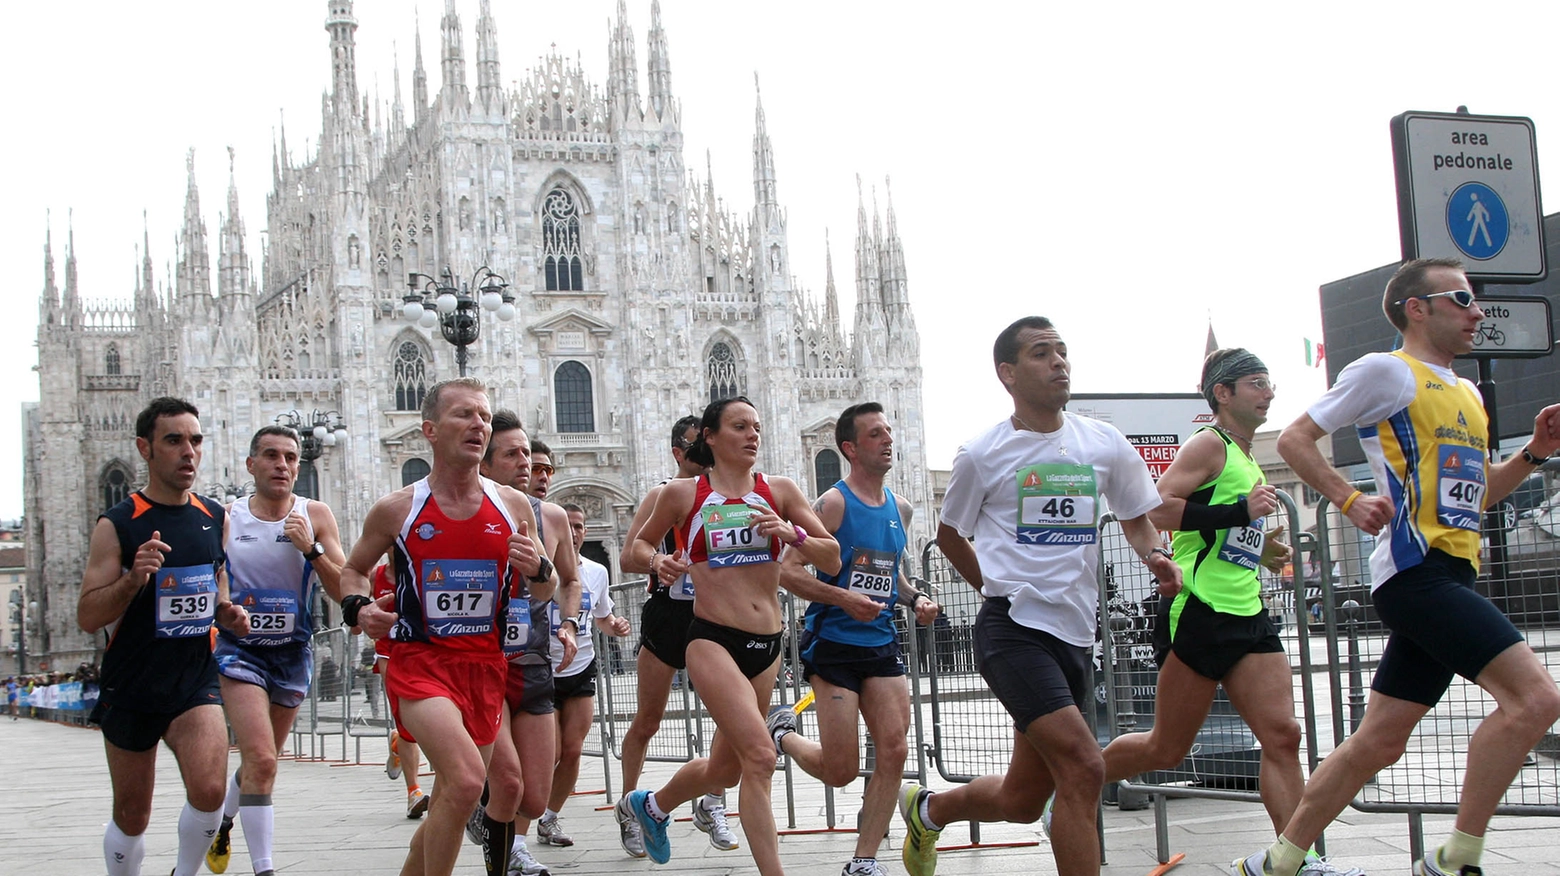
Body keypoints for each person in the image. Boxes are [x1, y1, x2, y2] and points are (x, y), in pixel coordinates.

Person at [1236, 258, 1560, 876]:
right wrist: (1348, 498)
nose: (1478, 312)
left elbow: (1481, 493)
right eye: (1463, 298)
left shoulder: (1467, 392)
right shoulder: (1389, 371)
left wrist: (1535, 453)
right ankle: (1455, 856)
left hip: (1453, 573)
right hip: (1416, 575)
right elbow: (1297, 437)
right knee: (1536, 700)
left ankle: (1279, 861)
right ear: (1418, 307)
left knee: (1379, 741)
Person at [900, 318, 1180, 876]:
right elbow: (950, 536)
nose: (1059, 362)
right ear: (1007, 373)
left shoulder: (1102, 442)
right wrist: (994, 591)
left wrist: (1155, 556)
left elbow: (1136, 520)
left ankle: (928, 809)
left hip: (1075, 635)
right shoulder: (982, 453)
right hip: (1013, 632)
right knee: (1082, 766)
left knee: (1023, 798)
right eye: (1041, 353)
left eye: (1062, 351)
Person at [1098, 351, 1357, 876]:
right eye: (1256, 384)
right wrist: (1241, 513)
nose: (1269, 392)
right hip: (1201, 610)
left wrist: (1260, 548)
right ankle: (1075, 777)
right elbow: (1157, 506)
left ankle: (1292, 861)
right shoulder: (1209, 444)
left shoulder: (1246, 455)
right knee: (1166, 748)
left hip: (1248, 611)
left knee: (1283, 735)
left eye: (1270, 383)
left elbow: (1218, 531)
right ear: (1223, 392)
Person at [616, 396, 841, 876]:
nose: (753, 434)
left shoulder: (779, 491)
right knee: (760, 756)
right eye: (740, 426)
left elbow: (832, 557)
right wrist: (659, 562)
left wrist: (791, 533)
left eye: (756, 426)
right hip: (712, 638)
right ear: (711, 438)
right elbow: (632, 549)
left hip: (767, 644)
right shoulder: (682, 494)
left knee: (727, 769)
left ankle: (651, 806)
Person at [338, 378, 550, 876]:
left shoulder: (514, 507)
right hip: (420, 663)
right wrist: (359, 608)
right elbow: (352, 571)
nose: (478, 424)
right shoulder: (398, 508)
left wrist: (539, 570)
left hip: (484, 666)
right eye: (464, 415)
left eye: (483, 416)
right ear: (430, 430)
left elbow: (546, 589)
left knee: (457, 794)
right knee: (465, 779)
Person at [77, 397, 253, 876]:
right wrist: (133, 579)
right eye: (174, 441)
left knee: (211, 791)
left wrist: (226, 612)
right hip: (132, 683)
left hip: (193, 680)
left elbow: (216, 580)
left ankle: (183, 872)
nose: (188, 452)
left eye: (195, 440)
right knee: (133, 814)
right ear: (145, 448)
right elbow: (88, 616)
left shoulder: (214, 515)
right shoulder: (118, 523)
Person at [770, 402, 941, 876]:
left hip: (882, 642)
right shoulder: (833, 503)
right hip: (835, 644)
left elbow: (892, 575)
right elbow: (788, 571)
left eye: (888, 431)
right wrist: (843, 599)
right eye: (874, 434)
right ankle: (783, 734)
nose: (888, 440)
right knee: (841, 769)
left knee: (895, 748)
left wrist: (915, 600)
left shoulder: (900, 508)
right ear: (849, 447)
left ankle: (863, 861)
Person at [204, 426, 346, 876]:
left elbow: (344, 588)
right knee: (262, 758)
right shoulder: (228, 517)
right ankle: (264, 868)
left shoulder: (315, 514)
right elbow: (215, 580)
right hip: (240, 652)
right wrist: (225, 609)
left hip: (292, 652)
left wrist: (312, 549)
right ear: (251, 465)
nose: (281, 465)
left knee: (260, 764)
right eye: (270, 456)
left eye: (290, 457)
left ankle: (224, 823)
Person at [617, 415, 740, 858]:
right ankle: (631, 807)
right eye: (695, 448)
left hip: (717, 613)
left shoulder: (731, 495)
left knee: (729, 717)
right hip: (670, 614)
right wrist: (657, 563)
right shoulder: (662, 495)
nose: (705, 456)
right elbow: (631, 555)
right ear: (678, 453)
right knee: (648, 719)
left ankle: (712, 803)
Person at [466, 411, 581, 876]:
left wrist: (568, 624)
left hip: (533, 659)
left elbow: (569, 581)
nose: (526, 465)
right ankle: (508, 848)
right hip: (483, 662)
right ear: (485, 465)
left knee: (534, 794)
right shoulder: (466, 511)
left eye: (528, 456)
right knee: (508, 782)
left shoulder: (550, 517)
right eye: (512, 455)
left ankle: (487, 815)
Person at [538, 504, 632, 844]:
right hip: (543, 669)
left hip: (581, 668)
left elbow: (602, 616)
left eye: (579, 526)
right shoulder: (541, 567)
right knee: (553, 752)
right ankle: (523, 807)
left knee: (574, 750)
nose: (575, 532)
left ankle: (549, 818)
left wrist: (616, 626)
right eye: (570, 526)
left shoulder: (596, 572)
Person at [374, 562, 430, 819]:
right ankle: (414, 792)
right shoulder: (376, 575)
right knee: (407, 720)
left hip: (423, 652)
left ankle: (397, 741)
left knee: (420, 722)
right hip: (389, 652)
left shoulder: (423, 568)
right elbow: (357, 618)